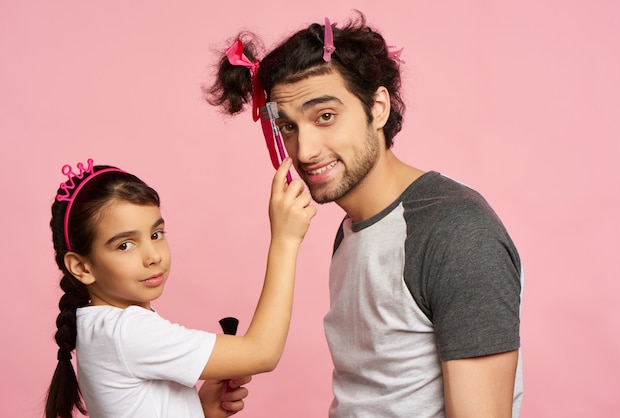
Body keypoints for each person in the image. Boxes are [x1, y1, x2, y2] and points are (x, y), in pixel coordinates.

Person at [207, 11, 524, 418]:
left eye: (325, 116)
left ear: (377, 108)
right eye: (288, 127)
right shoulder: (351, 230)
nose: (304, 151)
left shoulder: (456, 232)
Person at [45, 157, 315, 418]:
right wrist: (286, 240)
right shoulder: (127, 330)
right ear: (82, 267)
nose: (153, 256)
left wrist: (199, 410)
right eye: (124, 245)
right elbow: (262, 353)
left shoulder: (101, 328)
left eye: (156, 234)